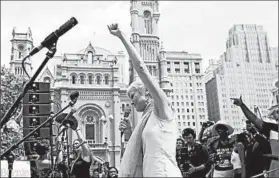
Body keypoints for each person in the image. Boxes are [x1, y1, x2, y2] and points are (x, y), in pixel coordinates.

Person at [108, 23, 182, 177]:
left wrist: (121, 36)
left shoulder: (161, 107)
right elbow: (140, 154)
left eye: (133, 96)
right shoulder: (145, 121)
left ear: (147, 92)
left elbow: (141, 68)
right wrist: (128, 132)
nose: (131, 102)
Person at [232, 96, 278, 177]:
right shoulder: (272, 128)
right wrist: (242, 105)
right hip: (274, 170)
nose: (275, 115)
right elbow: (255, 119)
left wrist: (275, 157)